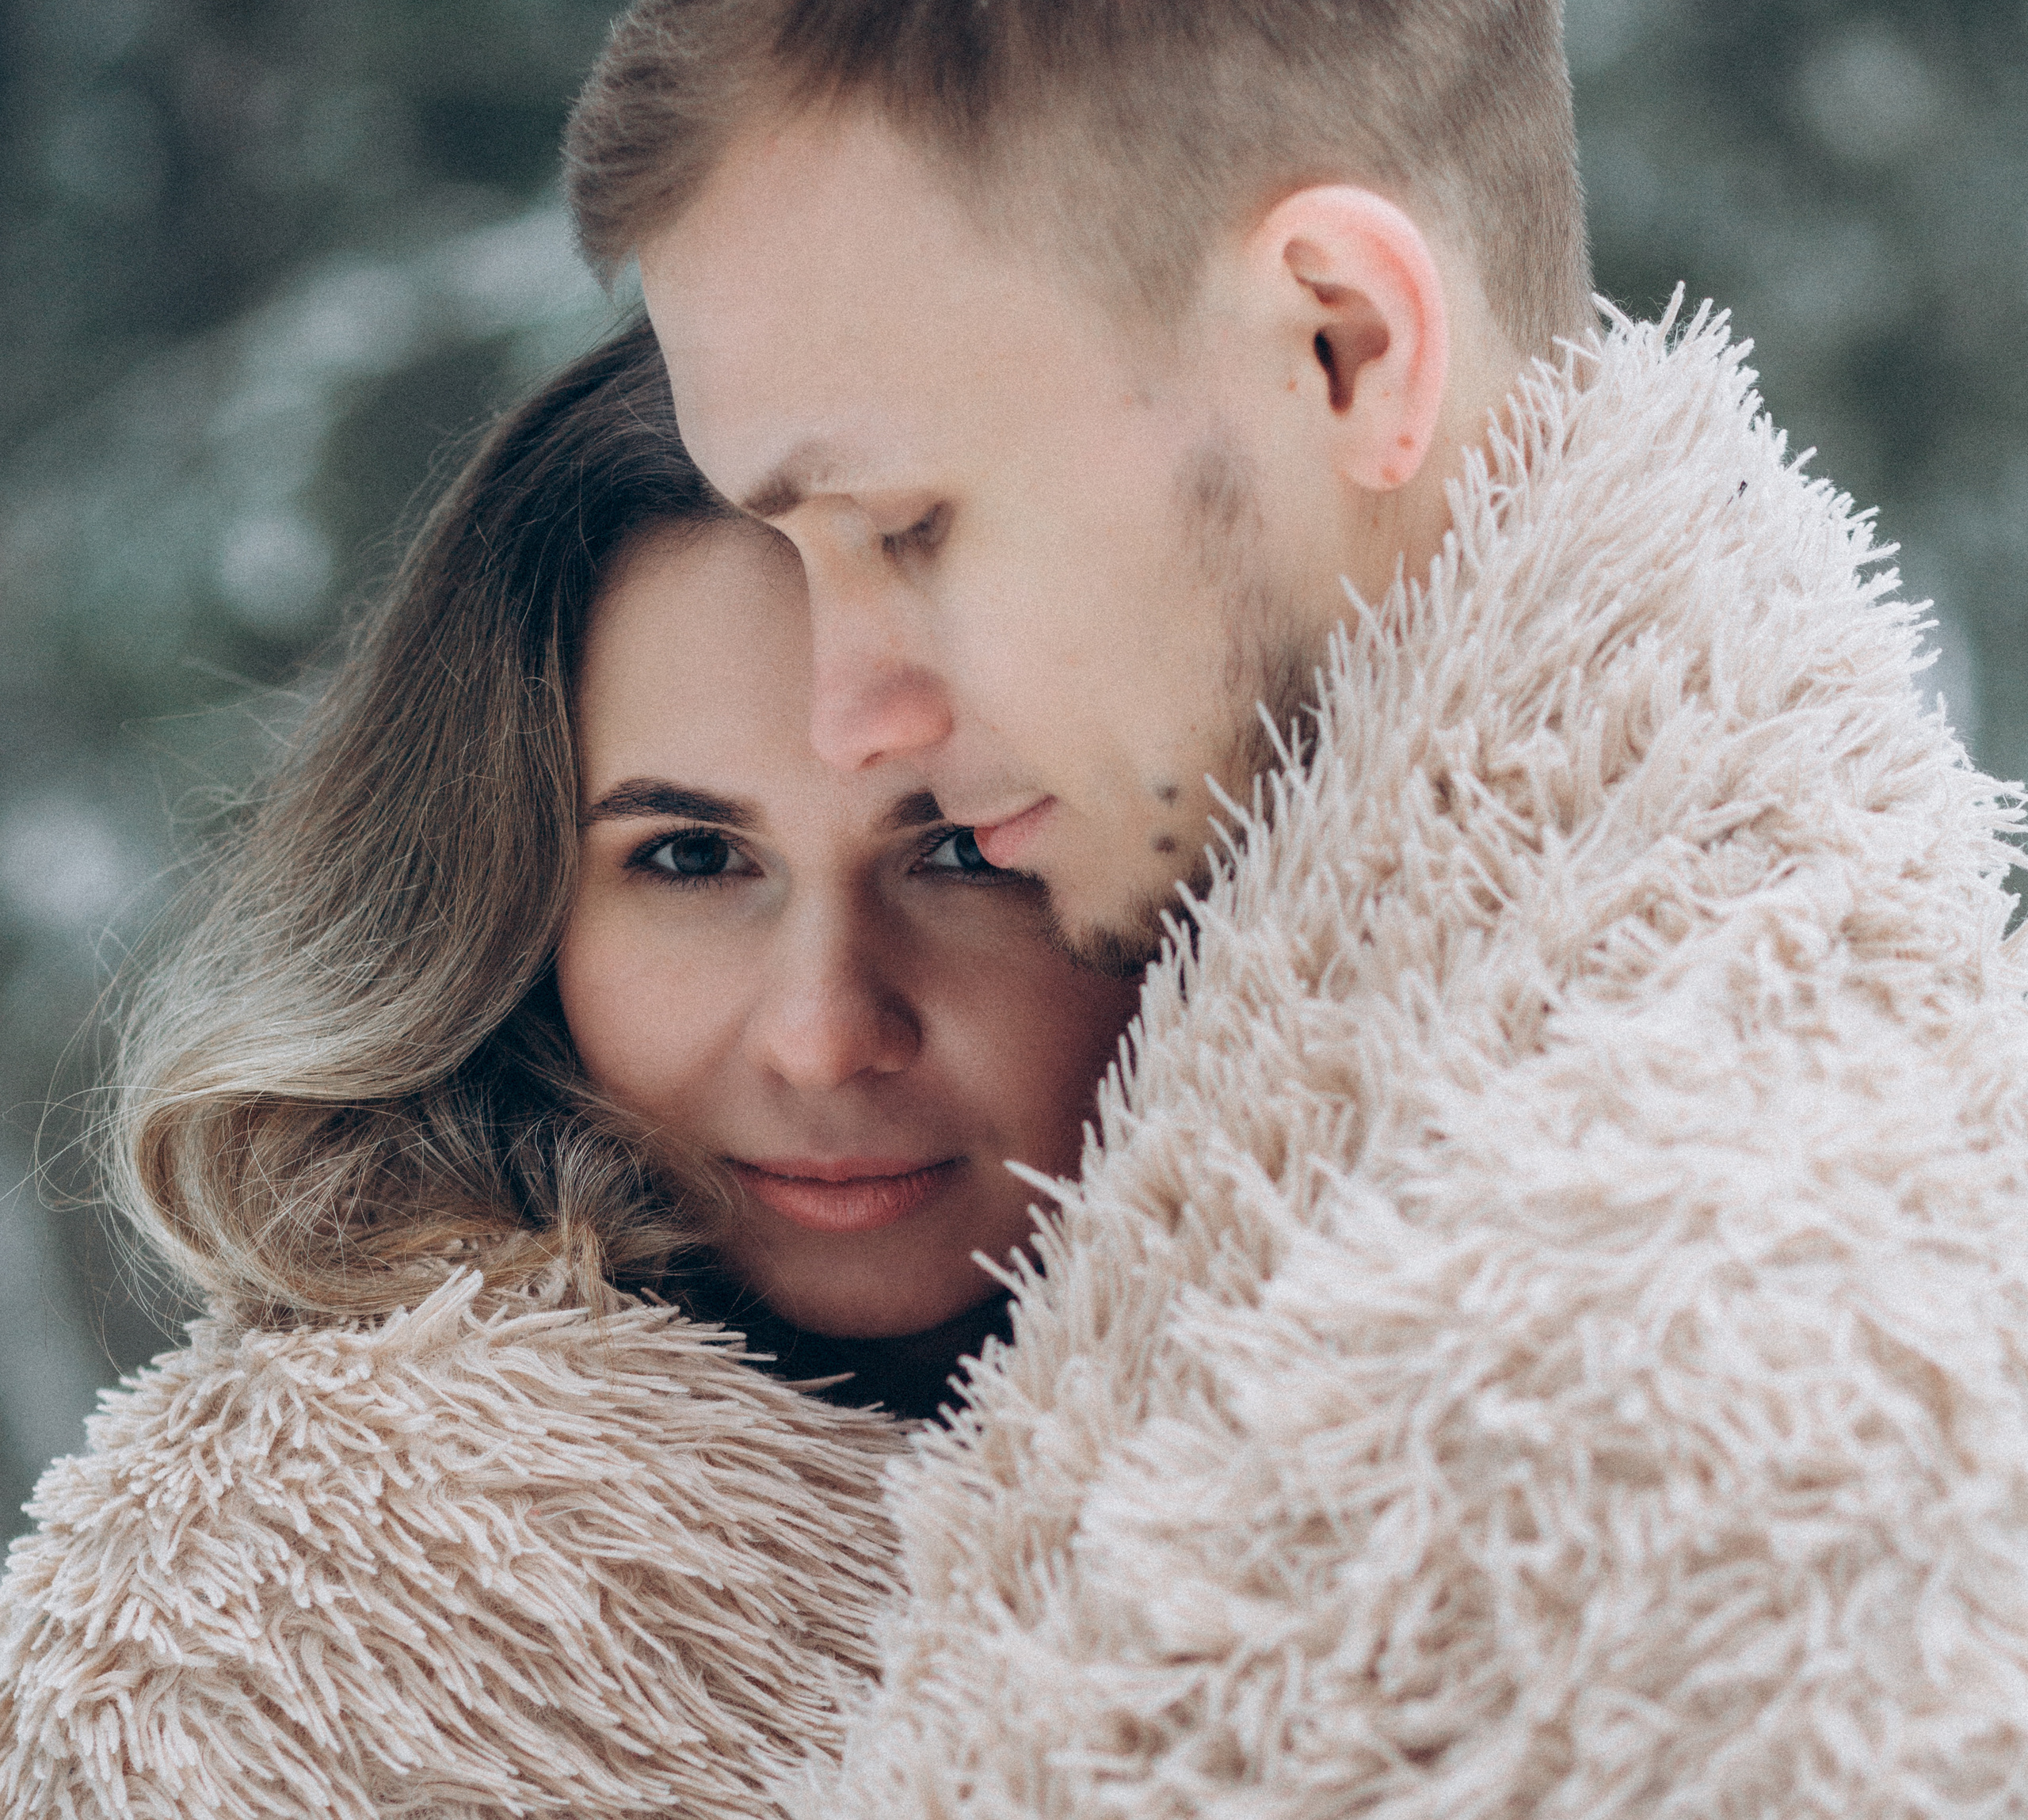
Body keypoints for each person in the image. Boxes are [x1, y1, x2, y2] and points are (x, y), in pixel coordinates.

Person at [563, 2, 2028, 1813]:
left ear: (1341, 346)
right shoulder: (1388, 1221)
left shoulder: (1690, 1390)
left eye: (905, 526)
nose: (847, 706)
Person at [0, 318, 1138, 1819]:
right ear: (508, 904)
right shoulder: (267, 1631)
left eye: (964, 850)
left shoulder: (1399, 1397)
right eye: (692, 856)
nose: (823, 1030)